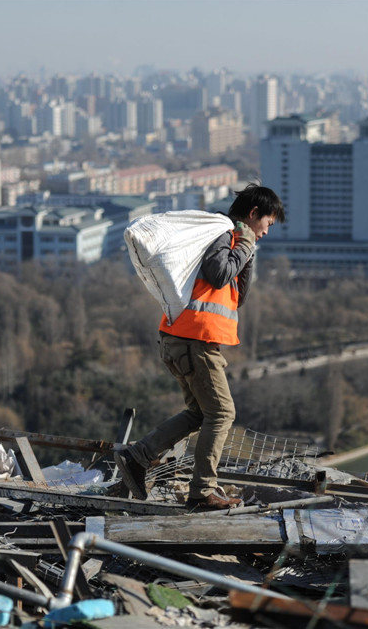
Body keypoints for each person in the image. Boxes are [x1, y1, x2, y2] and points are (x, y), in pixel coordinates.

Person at [115, 183, 285, 511]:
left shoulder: (236, 239)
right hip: (195, 342)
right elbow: (219, 274)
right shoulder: (223, 232)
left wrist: (246, 247)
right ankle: (202, 492)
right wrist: (243, 244)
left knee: (199, 413)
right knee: (222, 413)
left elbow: (239, 293)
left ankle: (138, 456)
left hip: (182, 340)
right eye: (267, 224)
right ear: (254, 214)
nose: (266, 232)